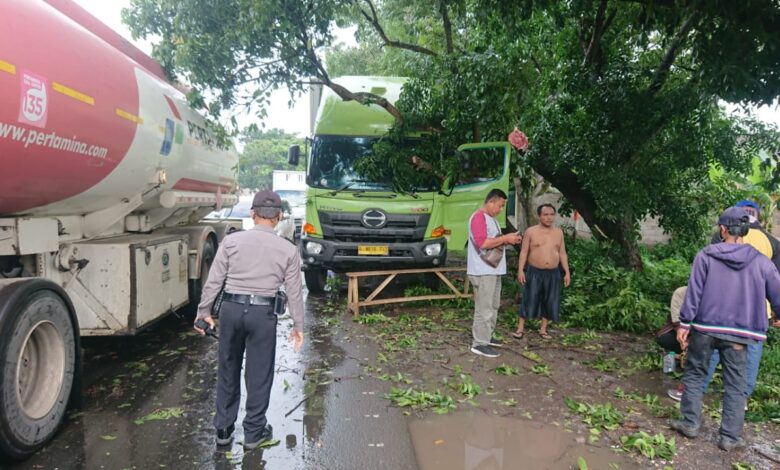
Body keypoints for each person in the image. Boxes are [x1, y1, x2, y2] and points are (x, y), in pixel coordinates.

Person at [194, 190, 305, 449]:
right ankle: (254, 433)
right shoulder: (288, 249)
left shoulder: (231, 243)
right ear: (278, 218)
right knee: (259, 373)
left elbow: (214, 282)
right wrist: (299, 327)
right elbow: (294, 292)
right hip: (263, 315)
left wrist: (203, 313)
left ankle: (223, 430)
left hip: (231, 311)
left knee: (228, 368)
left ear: (252, 214)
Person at [671, 207, 780, 451]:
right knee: (735, 384)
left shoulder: (706, 256)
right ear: (745, 231)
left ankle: (690, 423)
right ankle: (729, 438)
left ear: (722, 229)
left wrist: (684, 323)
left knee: (695, 373)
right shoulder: (761, 262)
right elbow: (777, 291)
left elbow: (694, 291)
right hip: (739, 334)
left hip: (704, 328)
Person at [695, 200, 780, 407]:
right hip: (755, 311)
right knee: (750, 352)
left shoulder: (720, 236)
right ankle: (741, 397)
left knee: (713, 349)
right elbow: (776, 279)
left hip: (719, 307)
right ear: (757, 216)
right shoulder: (772, 242)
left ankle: (699, 389)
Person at [468, 189, 523, 358]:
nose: (501, 209)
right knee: (483, 308)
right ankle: (479, 343)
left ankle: (487, 335)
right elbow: (483, 243)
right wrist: (506, 239)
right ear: (491, 202)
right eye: (500, 205)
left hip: (493, 270)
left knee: (493, 305)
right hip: (483, 271)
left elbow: (494, 242)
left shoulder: (491, 219)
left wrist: (508, 238)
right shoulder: (478, 217)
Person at [513, 204, 571, 340]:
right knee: (529, 298)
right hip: (534, 271)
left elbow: (562, 253)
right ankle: (520, 328)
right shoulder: (531, 231)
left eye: (551, 214)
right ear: (539, 216)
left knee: (550, 300)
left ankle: (543, 329)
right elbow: (524, 252)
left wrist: (567, 272)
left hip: (553, 272)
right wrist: (520, 270)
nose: (549, 217)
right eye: (545, 214)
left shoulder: (558, 232)